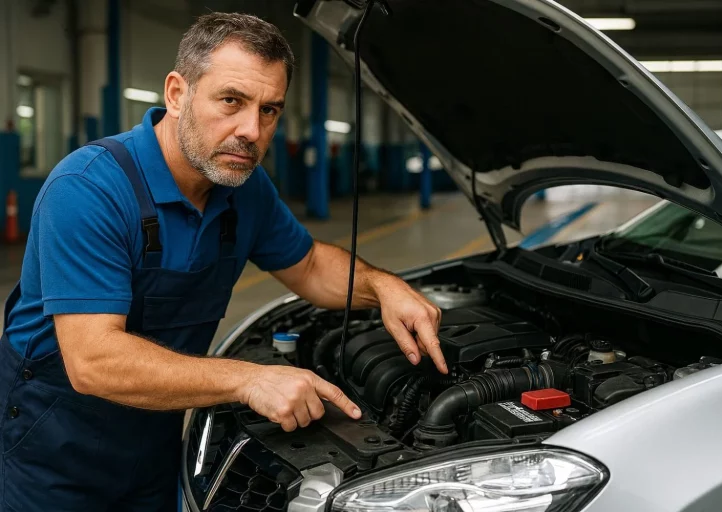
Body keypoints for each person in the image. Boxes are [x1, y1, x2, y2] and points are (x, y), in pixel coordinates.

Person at [0, 12, 446, 511]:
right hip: (54, 449)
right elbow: (93, 362)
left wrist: (382, 286)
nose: (251, 131)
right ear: (176, 93)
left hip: (155, 437)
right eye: (231, 101)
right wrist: (249, 380)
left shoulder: (245, 189)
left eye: (270, 110)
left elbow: (310, 265)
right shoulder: (88, 189)